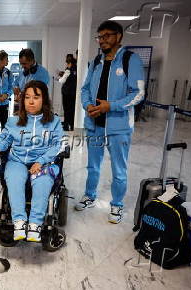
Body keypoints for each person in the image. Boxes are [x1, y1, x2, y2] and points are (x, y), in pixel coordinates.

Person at [75, 20, 145, 224]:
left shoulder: (130, 60)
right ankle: (89, 195)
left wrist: (110, 106)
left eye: (107, 35)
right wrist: (88, 106)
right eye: (100, 36)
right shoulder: (96, 61)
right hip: (95, 124)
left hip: (119, 127)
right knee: (92, 166)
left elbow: (138, 93)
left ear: (119, 36)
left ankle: (117, 205)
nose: (102, 40)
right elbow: (85, 89)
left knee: (119, 169)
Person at [0, 80, 64, 242]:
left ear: (44, 100)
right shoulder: (13, 121)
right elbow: (5, 138)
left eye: (36, 97)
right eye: (27, 97)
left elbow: (58, 145)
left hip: (44, 162)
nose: (31, 101)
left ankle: (35, 225)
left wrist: (42, 161)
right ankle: (19, 222)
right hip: (17, 161)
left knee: (42, 180)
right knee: (15, 179)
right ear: (22, 100)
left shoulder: (54, 122)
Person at [58, 54, 77, 131]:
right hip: (73, 92)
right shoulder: (76, 69)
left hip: (66, 93)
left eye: (67, 63)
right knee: (72, 109)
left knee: (66, 110)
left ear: (69, 63)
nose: (66, 65)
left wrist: (59, 79)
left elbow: (62, 80)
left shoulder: (68, 70)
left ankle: (66, 126)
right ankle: (72, 125)